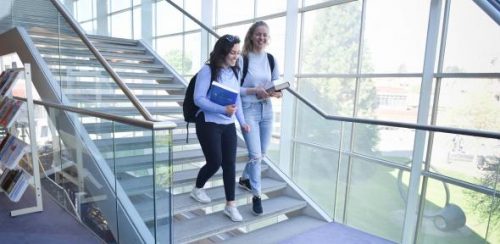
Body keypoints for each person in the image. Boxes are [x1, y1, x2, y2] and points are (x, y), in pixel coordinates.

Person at [190, 34, 250, 222]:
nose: (236, 56)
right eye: (233, 53)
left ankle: (230, 205)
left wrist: (242, 121)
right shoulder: (207, 71)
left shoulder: (235, 71)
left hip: (227, 124)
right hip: (208, 122)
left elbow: (236, 98)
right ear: (223, 52)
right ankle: (197, 188)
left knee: (230, 165)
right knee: (215, 162)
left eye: (238, 53)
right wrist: (222, 109)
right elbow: (198, 99)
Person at [238, 21, 282, 216]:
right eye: (258, 34)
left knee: (261, 153)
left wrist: (275, 93)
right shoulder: (242, 59)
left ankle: (245, 178)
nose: (262, 38)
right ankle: (256, 195)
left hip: (267, 110)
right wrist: (254, 91)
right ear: (251, 36)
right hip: (248, 110)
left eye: (265, 35)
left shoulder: (271, 59)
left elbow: (276, 87)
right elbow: (234, 89)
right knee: (255, 155)